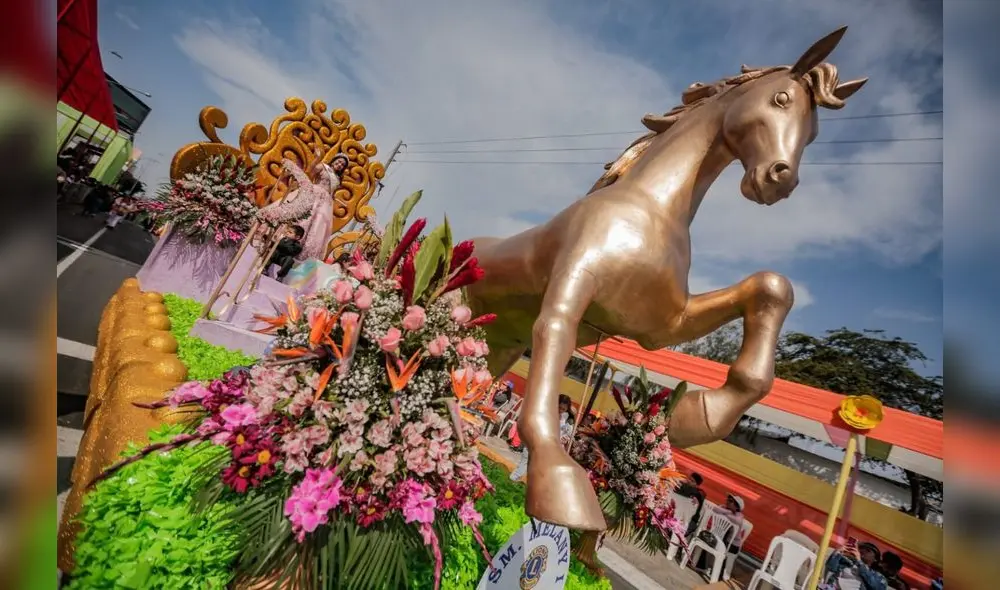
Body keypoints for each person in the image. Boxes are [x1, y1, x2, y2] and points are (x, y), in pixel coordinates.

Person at [258, 150, 348, 261]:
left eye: (342, 165)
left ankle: (301, 252)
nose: (340, 165)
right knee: (302, 216)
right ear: (334, 160)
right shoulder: (323, 167)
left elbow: (332, 192)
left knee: (316, 226)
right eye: (339, 162)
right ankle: (279, 240)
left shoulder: (338, 179)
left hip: (325, 203)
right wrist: (317, 158)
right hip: (313, 193)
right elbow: (310, 173)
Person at [510, 395, 575, 481]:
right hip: (535, 444)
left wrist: (564, 438)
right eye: (559, 407)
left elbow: (562, 433)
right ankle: (511, 480)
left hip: (548, 450)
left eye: (563, 409)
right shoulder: (546, 413)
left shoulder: (563, 418)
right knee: (522, 468)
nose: (560, 410)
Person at [695, 494, 746, 572]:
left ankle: (708, 568)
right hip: (723, 539)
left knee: (712, 539)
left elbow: (737, 521)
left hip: (732, 544)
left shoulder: (739, 516)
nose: (727, 501)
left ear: (737, 507)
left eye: (731, 501)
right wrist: (727, 511)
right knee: (711, 537)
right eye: (728, 499)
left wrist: (726, 513)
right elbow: (715, 509)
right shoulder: (727, 510)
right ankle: (702, 566)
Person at [822, 540, 888, 590]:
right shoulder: (845, 561)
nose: (863, 551)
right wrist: (837, 553)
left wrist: (859, 562)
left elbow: (877, 587)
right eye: (861, 548)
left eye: (868, 550)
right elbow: (829, 569)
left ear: (875, 559)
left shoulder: (879, 577)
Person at [676, 472, 707, 536]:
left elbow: (699, 494)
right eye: (689, 479)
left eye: (692, 481)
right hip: (680, 516)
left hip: (691, 521)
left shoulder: (700, 493)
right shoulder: (684, 487)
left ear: (697, 485)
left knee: (679, 532)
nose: (689, 481)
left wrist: (681, 481)